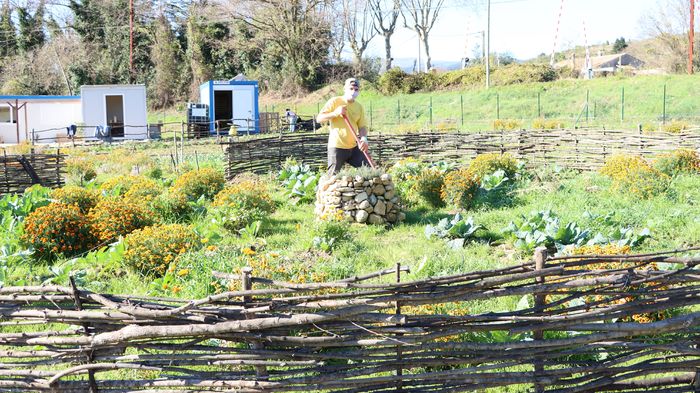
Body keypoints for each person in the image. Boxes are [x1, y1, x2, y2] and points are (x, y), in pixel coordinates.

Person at [316, 78, 369, 174]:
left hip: (353, 147)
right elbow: (319, 118)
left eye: (356, 89)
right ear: (345, 89)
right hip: (337, 147)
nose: (353, 92)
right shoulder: (335, 101)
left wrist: (364, 138)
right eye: (351, 88)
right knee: (332, 176)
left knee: (369, 171)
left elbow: (362, 127)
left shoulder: (359, 107)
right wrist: (335, 113)